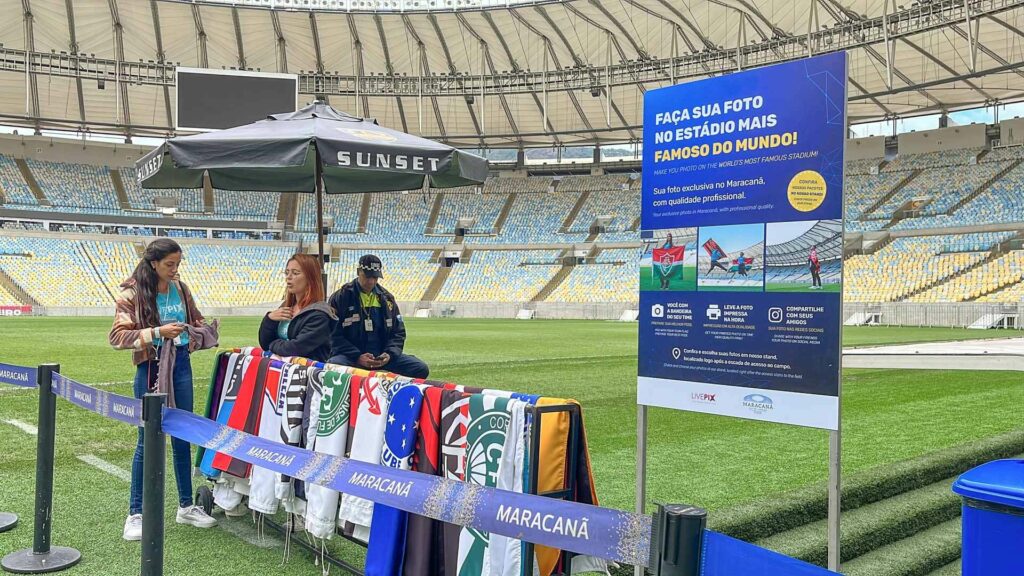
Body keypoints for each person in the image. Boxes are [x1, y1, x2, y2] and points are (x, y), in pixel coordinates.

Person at [108, 238, 217, 541]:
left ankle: (186, 506)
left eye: (178, 264)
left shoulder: (181, 289)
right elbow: (117, 337)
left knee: (183, 435)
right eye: (170, 264)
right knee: (147, 439)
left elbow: (196, 318)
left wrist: (198, 331)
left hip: (181, 364)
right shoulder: (132, 294)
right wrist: (157, 332)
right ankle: (135, 513)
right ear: (153, 263)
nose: (175, 269)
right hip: (151, 367)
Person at [328, 254, 429, 378]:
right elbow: (332, 335)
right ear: (358, 272)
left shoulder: (387, 298)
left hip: (380, 356)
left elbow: (398, 333)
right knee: (334, 367)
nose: (371, 281)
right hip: (350, 357)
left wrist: (389, 354)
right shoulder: (341, 297)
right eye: (367, 276)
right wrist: (357, 356)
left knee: (420, 368)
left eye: (375, 277)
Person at [259, 253, 337, 362]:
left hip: (306, 373)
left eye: (295, 273)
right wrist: (269, 319)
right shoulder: (286, 306)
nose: (288, 277)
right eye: (287, 273)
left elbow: (294, 349)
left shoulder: (319, 314)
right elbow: (264, 343)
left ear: (310, 278)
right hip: (283, 371)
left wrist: (272, 344)